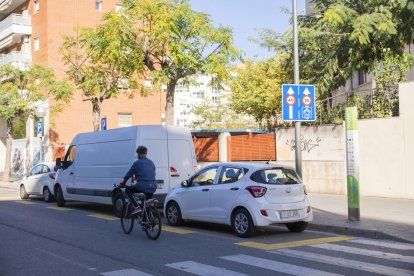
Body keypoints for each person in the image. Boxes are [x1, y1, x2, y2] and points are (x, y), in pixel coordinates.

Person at [119, 146, 156, 215]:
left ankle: (137, 207)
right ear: (145, 153)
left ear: (139, 154)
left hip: (142, 186)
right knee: (146, 204)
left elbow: (128, 175)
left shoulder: (137, 163)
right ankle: (146, 222)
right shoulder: (151, 162)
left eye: (137, 154)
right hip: (153, 186)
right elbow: (153, 173)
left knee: (128, 191)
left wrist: (121, 183)